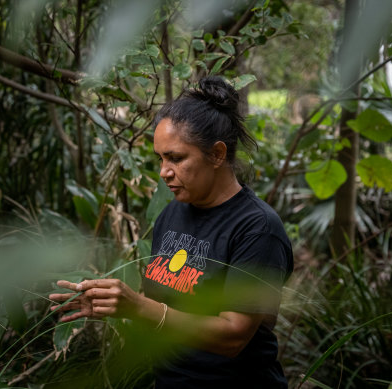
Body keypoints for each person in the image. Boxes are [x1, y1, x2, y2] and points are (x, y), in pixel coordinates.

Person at [50, 76, 294, 388]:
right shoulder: (173, 212)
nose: (164, 171)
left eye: (176, 158)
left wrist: (139, 307)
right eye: (161, 158)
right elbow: (163, 302)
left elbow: (234, 336)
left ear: (217, 155)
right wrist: (111, 303)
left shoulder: (257, 229)